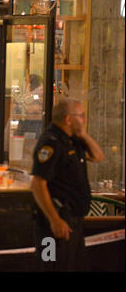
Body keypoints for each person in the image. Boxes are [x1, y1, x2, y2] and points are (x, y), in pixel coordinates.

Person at [31, 98, 105, 271]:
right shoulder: (51, 143)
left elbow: (98, 156)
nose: (84, 119)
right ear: (68, 119)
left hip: (73, 221)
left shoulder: (72, 141)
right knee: (52, 266)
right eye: (81, 116)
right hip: (54, 223)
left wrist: (83, 134)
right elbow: (38, 183)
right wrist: (54, 220)